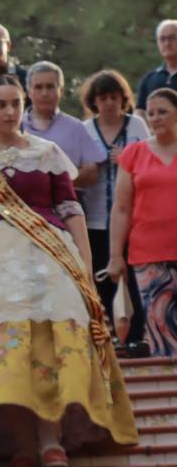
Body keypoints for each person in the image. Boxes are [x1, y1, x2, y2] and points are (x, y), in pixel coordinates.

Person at [0, 70, 137, 465]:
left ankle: (50, 437)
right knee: (6, 350)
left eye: (15, 104)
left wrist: (84, 267)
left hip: (48, 258)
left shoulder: (47, 153)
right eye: (0, 105)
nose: (9, 111)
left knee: (47, 341)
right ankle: (20, 439)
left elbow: (71, 212)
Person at [107, 87, 177, 358]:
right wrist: (115, 255)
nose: (156, 118)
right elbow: (122, 208)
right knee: (162, 332)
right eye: (151, 113)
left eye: (163, 112)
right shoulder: (134, 154)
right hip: (149, 254)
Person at [82, 69, 150, 345]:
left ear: (123, 98)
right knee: (103, 278)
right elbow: (76, 170)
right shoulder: (85, 130)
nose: (109, 103)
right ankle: (113, 333)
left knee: (133, 278)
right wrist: (92, 164)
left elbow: (150, 161)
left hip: (132, 217)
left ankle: (135, 336)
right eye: (103, 97)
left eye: (114, 96)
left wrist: (127, 160)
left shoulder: (137, 127)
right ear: (93, 101)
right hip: (95, 217)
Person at [24, 62, 101, 188]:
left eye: (50, 87)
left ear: (61, 90)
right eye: (38, 87)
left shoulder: (75, 127)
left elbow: (91, 173)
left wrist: (57, 185)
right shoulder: (15, 127)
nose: (44, 93)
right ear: (29, 92)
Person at [134, 19, 177, 110]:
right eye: (162, 39)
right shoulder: (149, 79)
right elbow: (140, 111)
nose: (167, 43)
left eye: (172, 38)